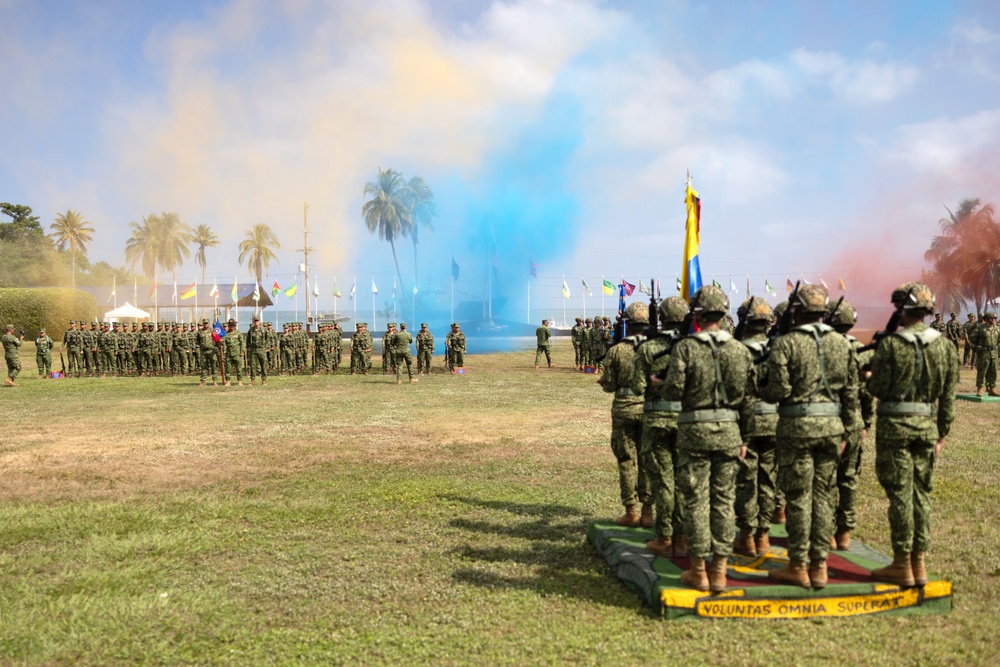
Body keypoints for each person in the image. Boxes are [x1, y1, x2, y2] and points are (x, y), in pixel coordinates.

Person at [760, 284, 858, 590]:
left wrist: (759, 389)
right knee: (824, 495)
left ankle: (799, 565)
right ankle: (820, 567)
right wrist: (850, 431)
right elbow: (852, 393)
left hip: (797, 430)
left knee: (799, 498)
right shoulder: (843, 344)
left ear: (797, 310)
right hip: (832, 431)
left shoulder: (786, 344)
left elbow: (778, 392)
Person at [658, 286, 753, 593]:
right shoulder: (740, 350)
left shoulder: (686, 348)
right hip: (729, 434)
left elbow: (673, 392)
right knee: (724, 500)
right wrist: (745, 438)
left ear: (697, 315)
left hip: (694, 433)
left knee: (696, 500)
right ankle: (721, 571)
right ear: (724, 314)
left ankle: (699, 571)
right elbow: (748, 401)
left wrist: (660, 383)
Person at [866, 282, 959, 587]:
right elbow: (947, 397)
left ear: (903, 311)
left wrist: (869, 377)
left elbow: (877, 389)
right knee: (922, 494)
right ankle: (919, 564)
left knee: (901, 495)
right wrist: (941, 433)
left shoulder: (892, 345)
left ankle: (902, 563)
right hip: (926, 430)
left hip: (895, 429)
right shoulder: (945, 346)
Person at [633, 296, 690, 558]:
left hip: (656, 421)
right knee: (684, 480)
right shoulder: (692, 347)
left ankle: (665, 536)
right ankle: (683, 537)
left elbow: (637, 387)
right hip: (686, 422)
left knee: (663, 481)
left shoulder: (647, 349)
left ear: (661, 318)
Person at [826, 299, 875, 551]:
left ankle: (826, 534)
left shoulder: (822, 347)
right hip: (854, 422)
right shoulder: (862, 350)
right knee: (848, 478)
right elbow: (866, 391)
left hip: (826, 421)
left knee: (825, 480)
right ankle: (844, 533)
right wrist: (866, 422)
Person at [598, 302, 652, 528]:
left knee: (627, 460)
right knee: (648, 460)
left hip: (624, 409)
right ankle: (648, 511)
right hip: (649, 409)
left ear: (627, 324)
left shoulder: (617, 350)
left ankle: (631, 511)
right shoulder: (655, 348)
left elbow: (609, 385)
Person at [732, 297, 778, 557]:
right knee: (769, 478)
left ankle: (747, 536)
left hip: (743, 424)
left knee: (746, 480)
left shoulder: (736, 351)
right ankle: (763, 536)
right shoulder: (778, 349)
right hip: (773, 421)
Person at [970, 311, 999, 396]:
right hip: (983, 354)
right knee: (982, 371)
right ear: (986, 319)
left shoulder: (997, 329)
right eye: (992, 318)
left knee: (993, 371)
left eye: (995, 318)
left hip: (994, 353)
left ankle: (992, 388)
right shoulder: (980, 328)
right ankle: (980, 388)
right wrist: (976, 348)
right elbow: (971, 339)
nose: (994, 320)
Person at [197, 319, 218, 386]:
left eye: (207, 323)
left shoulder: (213, 331)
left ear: (209, 323)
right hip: (203, 351)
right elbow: (198, 341)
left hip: (211, 351)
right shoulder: (200, 332)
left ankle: (214, 381)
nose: (206, 324)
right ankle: (203, 381)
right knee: (203, 366)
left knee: (213, 366)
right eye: (204, 323)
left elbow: (217, 340)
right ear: (203, 324)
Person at [247, 316, 268, 385]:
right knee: (253, 365)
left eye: (257, 321)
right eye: (255, 321)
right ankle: (252, 380)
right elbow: (248, 340)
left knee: (263, 365)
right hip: (253, 350)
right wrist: (249, 348)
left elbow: (267, 339)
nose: (256, 322)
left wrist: (266, 347)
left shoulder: (263, 330)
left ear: (259, 321)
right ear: (253, 322)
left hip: (261, 349)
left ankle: (264, 380)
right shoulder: (251, 330)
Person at [223, 319, 244, 386]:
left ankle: (239, 381)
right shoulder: (226, 333)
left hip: (237, 353)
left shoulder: (238, 333)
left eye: (232, 325)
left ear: (235, 326)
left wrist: (242, 351)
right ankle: (228, 381)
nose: (231, 326)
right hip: (229, 353)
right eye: (230, 325)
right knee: (228, 368)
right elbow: (223, 342)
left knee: (238, 368)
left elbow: (242, 342)